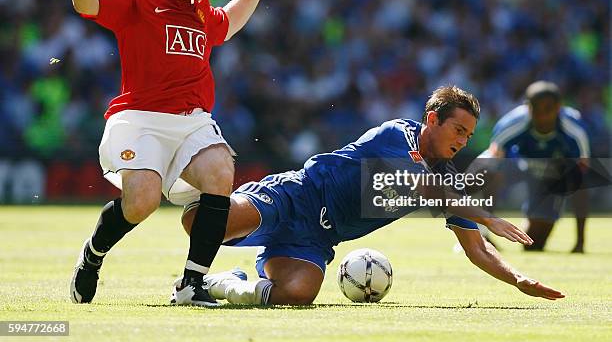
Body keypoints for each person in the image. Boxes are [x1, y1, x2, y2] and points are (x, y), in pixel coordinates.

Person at [167, 86, 564, 305]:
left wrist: (518, 279)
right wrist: (488, 216)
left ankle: (225, 285)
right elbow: (421, 186)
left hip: (317, 238)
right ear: (432, 120)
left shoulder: (448, 179)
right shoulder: (397, 135)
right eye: (458, 130)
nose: (463, 141)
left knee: (298, 294)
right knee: (201, 225)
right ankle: (196, 190)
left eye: (468, 135)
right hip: (296, 196)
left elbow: (477, 250)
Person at [67, 0, 273, 306]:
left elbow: (228, 23)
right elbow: (85, 2)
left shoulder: (200, 10)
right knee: (141, 202)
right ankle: (92, 256)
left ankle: (191, 284)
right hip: (139, 117)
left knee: (220, 171)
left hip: (191, 121)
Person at [480, 81, 590, 252]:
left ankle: (540, 221)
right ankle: (481, 234)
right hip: (518, 166)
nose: (543, 116)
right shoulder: (512, 124)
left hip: (551, 175)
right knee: (486, 167)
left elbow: (581, 177)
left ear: (559, 108)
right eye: (537, 110)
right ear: (528, 108)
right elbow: (491, 162)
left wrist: (580, 242)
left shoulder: (575, 130)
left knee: (533, 245)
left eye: (548, 110)